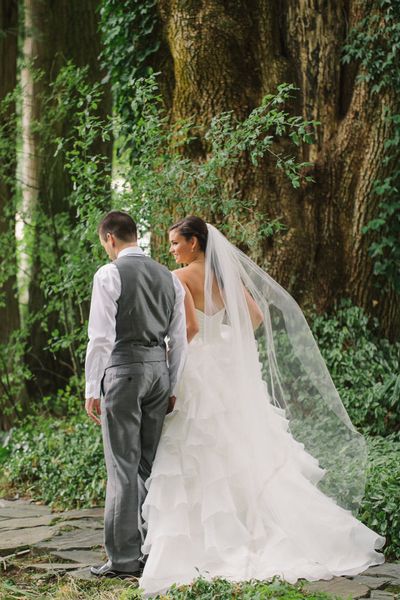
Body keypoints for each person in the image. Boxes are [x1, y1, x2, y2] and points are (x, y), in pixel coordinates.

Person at [139, 215, 385, 596]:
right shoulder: (226, 277)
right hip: (229, 371)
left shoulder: (179, 277)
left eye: (175, 243)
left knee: (197, 448)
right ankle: (261, 525)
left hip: (200, 371)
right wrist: (224, 337)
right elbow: (254, 317)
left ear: (194, 243)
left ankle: (211, 538)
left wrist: (175, 350)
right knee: (242, 447)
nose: (171, 250)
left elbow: (186, 330)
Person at [84, 211, 187, 578]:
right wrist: (172, 385)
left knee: (122, 467)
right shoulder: (169, 277)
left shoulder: (109, 274)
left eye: (103, 244)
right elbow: (179, 339)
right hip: (159, 372)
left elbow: (100, 338)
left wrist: (92, 388)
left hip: (124, 372)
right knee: (150, 465)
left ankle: (123, 560)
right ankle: (153, 550)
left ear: (110, 238)